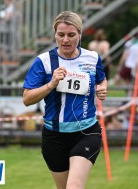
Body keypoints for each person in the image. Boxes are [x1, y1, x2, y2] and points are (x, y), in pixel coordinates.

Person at [23, 11, 107, 189]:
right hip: (54, 136)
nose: (66, 40)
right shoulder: (43, 62)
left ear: (80, 35)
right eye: (61, 35)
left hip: (86, 132)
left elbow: (101, 78)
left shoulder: (92, 58)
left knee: (74, 186)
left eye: (71, 35)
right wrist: (51, 84)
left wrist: (102, 87)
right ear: (55, 34)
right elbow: (27, 99)